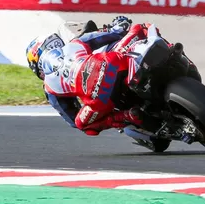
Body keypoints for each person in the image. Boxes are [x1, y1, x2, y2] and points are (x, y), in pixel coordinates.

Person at [26, 16, 164, 136]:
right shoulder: (75, 44)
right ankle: (170, 52)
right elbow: (111, 34)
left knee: (82, 124)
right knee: (142, 27)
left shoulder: (49, 87)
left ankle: (126, 116)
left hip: (97, 98)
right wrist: (121, 25)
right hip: (110, 63)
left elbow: (72, 117)